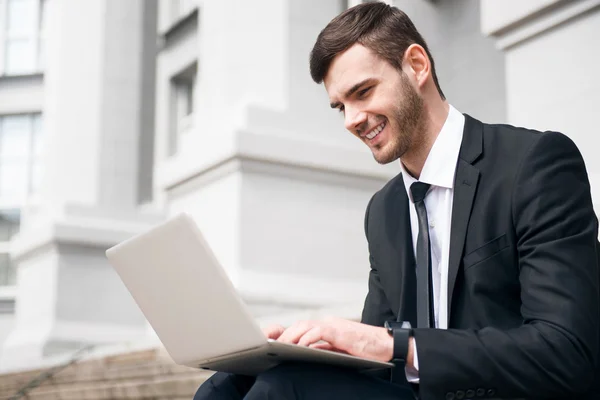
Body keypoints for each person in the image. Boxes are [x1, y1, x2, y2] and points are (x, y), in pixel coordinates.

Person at [194, 2, 600, 399]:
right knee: (236, 381)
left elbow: (566, 353)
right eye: (340, 106)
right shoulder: (384, 210)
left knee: (283, 389)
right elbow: (380, 366)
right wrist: (315, 348)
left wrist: (397, 345)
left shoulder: (533, 164)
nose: (352, 119)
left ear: (417, 66)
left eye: (363, 92)